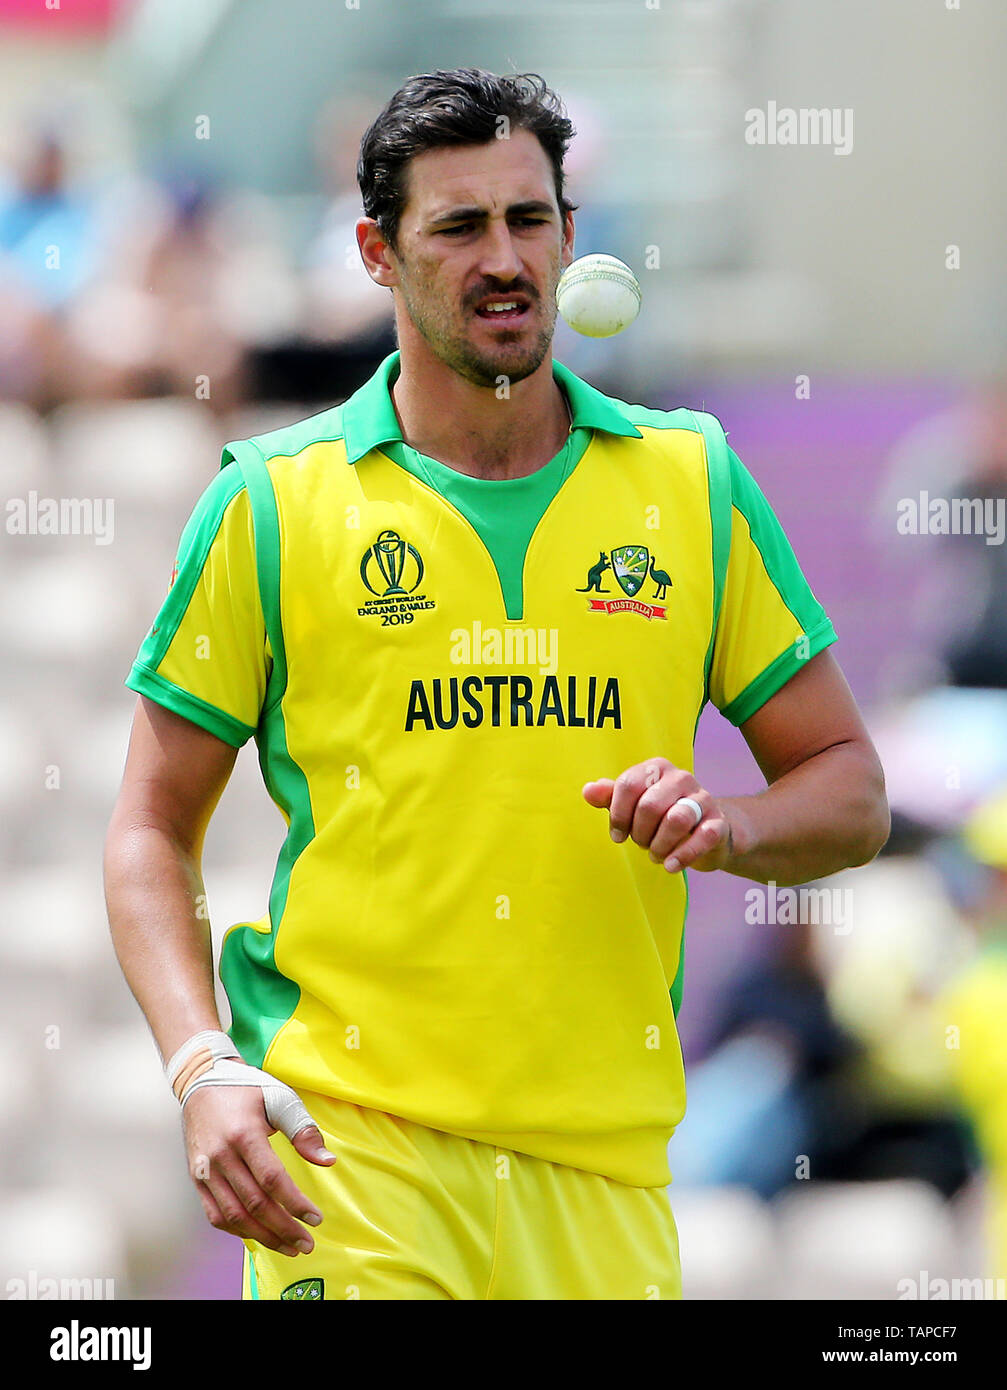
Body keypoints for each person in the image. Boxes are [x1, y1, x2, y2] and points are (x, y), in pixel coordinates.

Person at [103, 68, 889, 1301]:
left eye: (529, 220)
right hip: (353, 1154)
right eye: (458, 227)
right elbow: (151, 825)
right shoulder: (271, 503)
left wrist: (729, 824)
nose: (504, 258)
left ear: (572, 238)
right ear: (376, 251)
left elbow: (849, 792)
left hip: (606, 1175)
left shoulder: (691, 482)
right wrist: (201, 1062)